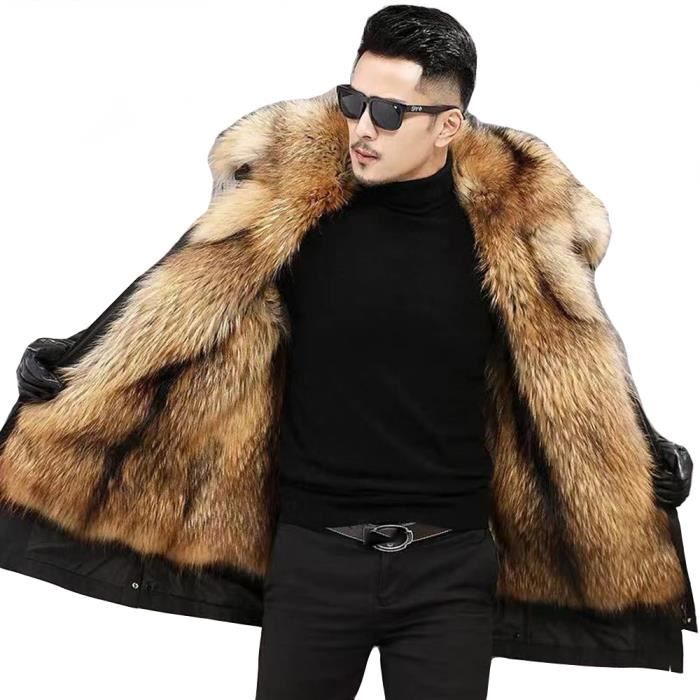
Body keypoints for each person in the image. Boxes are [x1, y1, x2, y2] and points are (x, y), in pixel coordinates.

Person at [6, 4, 695, 697]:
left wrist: (641, 449)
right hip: (314, 560)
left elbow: (572, 351)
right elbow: (185, 292)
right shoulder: (294, 210)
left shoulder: (509, 235)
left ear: (448, 126)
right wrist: (81, 359)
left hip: (450, 570)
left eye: (389, 113)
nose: (363, 127)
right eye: (353, 101)